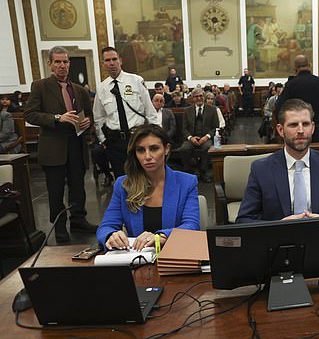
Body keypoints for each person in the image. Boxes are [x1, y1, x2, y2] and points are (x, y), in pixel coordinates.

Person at [236, 99, 319, 223]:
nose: (300, 130)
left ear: (313, 128)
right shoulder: (261, 169)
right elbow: (244, 219)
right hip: (279, 240)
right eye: (293, 125)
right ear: (280, 130)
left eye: (305, 124)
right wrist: (278, 226)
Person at [24, 46, 96, 242]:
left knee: (78, 187)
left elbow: (89, 115)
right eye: (58, 62)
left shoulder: (80, 90)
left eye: (65, 62)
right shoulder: (40, 86)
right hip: (53, 146)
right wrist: (57, 117)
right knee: (55, 190)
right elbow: (29, 114)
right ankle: (59, 226)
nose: (62, 66)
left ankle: (79, 220)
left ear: (69, 64)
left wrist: (88, 122)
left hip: (77, 144)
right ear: (50, 64)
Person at [96, 124, 199, 251]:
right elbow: (105, 227)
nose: (147, 156)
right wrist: (111, 236)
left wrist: (162, 236)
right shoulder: (123, 185)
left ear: (166, 149)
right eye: (140, 150)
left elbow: (192, 226)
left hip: (175, 256)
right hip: (137, 260)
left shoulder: (187, 182)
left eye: (154, 149)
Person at [93, 46, 159, 178]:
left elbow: (150, 111)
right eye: (107, 60)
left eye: (114, 59)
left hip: (138, 137)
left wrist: (157, 137)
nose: (111, 63)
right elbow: (99, 117)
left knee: (145, 177)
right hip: (115, 142)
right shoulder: (102, 88)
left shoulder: (136, 81)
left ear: (120, 61)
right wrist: (103, 140)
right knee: (123, 180)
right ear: (103, 64)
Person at [275, 55, 319, 142]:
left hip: (297, 132)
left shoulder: (291, 85)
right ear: (310, 66)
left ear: (295, 69)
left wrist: (291, 123)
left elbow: (279, 108)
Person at [179, 87, 220, 183]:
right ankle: (189, 172)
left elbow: (215, 127)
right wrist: (190, 138)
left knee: (207, 148)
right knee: (184, 149)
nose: (199, 98)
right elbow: (184, 129)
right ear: (193, 98)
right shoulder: (187, 110)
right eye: (196, 96)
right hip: (191, 138)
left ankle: (203, 171)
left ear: (204, 97)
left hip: (206, 137)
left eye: (201, 96)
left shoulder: (212, 110)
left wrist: (206, 137)